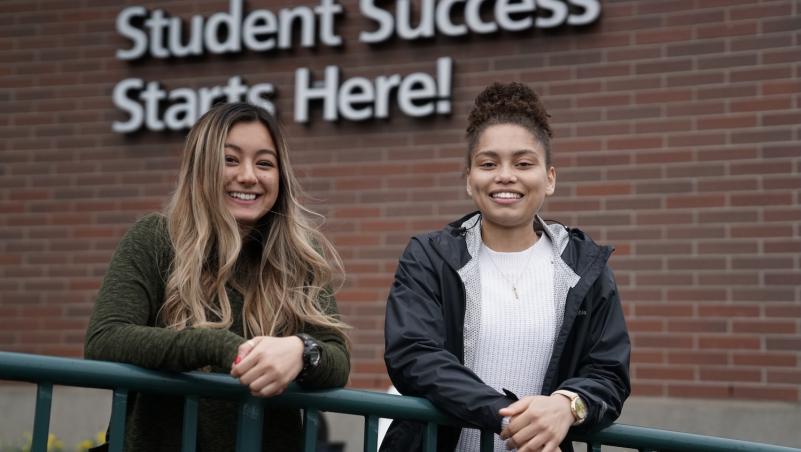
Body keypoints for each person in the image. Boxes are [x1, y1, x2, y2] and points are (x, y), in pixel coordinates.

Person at [84, 102, 350, 452]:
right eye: (230, 159)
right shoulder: (156, 238)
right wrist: (219, 347)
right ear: (201, 168)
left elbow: (337, 359)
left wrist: (301, 351)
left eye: (265, 163)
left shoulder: (301, 256)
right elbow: (105, 339)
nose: (249, 176)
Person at [381, 83, 630, 452]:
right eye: (488, 163)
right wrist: (509, 416)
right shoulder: (429, 256)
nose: (505, 175)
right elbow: (414, 356)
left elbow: (608, 372)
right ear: (469, 180)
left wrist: (568, 405)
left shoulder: (582, 267)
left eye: (523, 163)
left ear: (550, 178)